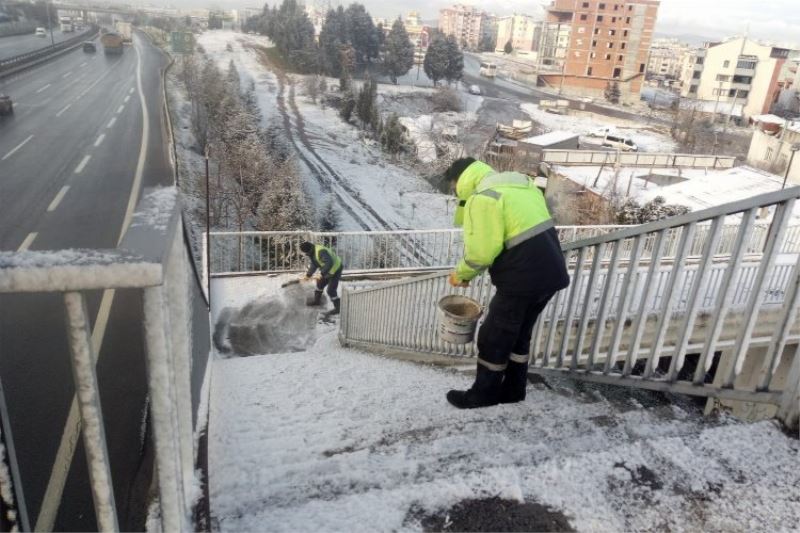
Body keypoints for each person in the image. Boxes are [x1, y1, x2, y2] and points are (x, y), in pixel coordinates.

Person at [444, 158, 570, 409]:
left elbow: (482, 252)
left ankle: (483, 395)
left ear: (461, 180)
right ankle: (513, 389)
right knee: (519, 334)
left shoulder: (484, 198)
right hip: (551, 274)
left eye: (453, 185)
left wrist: (462, 275)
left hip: (521, 278)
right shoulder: (520, 187)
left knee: (494, 337)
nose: (455, 190)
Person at [299, 241, 343, 314]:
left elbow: (329, 263)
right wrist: (308, 275)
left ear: (308, 250)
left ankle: (338, 309)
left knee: (331, 290)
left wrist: (322, 273)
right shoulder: (313, 252)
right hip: (327, 269)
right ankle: (316, 301)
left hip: (336, 269)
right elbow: (314, 264)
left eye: (305, 252)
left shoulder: (320, 251)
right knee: (319, 284)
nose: (305, 254)